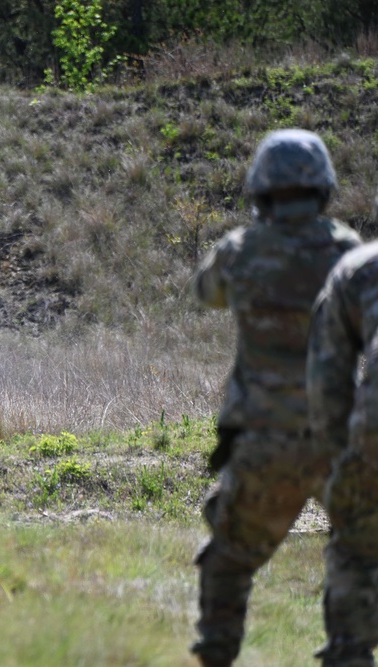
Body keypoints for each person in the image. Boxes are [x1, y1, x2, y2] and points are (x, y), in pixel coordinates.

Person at [190, 128, 362, 667]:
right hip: (339, 440)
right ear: (323, 187)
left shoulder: (241, 251)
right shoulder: (348, 249)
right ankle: (351, 654)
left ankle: (217, 654)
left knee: (231, 558)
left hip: (263, 438)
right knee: (356, 556)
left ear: (262, 188)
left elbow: (204, 292)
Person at [308, 241, 378, 667]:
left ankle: (350, 650)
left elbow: (326, 391)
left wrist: (343, 479)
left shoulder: (357, 268)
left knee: (355, 548)